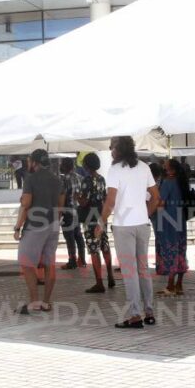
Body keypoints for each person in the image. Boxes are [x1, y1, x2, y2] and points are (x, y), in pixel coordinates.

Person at [97, 136, 161, 328]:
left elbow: (110, 201)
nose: (110, 151)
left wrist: (101, 223)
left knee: (130, 271)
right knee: (143, 269)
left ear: (120, 149)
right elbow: (156, 197)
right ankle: (149, 312)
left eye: (112, 147)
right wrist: (145, 214)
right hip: (143, 225)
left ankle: (135, 314)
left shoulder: (115, 170)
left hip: (123, 226)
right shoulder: (144, 167)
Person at [15, 149, 63, 313]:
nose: (28, 164)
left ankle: (34, 301)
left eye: (29, 161)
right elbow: (60, 205)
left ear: (34, 162)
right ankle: (46, 302)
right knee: (50, 264)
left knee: (26, 262)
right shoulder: (57, 180)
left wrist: (17, 227)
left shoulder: (30, 179)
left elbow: (26, 203)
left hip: (35, 225)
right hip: (54, 224)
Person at [80, 152, 116, 293]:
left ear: (87, 165)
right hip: (101, 216)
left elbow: (84, 201)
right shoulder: (101, 179)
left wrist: (77, 196)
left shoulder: (86, 180)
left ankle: (99, 283)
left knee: (94, 250)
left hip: (90, 217)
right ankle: (111, 277)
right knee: (104, 246)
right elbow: (104, 198)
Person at [156, 158, 189, 296]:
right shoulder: (182, 182)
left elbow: (161, 202)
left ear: (171, 169)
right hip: (180, 219)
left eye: (166, 164)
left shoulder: (167, 182)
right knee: (180, 250)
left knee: (170, 250)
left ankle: (170, 285)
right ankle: (179, 284)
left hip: (169, 220)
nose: (164, 164)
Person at [59, 157, 86, 270]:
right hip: (78, 210)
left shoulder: (64, 179)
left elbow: (62, 197)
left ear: (64, 166)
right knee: (78, 235)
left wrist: (59, 213)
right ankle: (82, 260)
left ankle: (72, 261)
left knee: (69, 237)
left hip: (68, 211)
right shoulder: (80, 178)